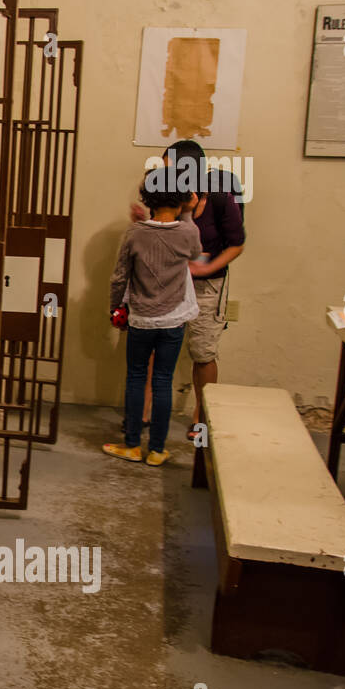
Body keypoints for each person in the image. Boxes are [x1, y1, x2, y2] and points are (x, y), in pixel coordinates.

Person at [130, 140, 246, 440]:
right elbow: (162, 229)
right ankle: (144, 411)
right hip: (170, 279)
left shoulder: (221, 195)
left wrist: (206, 268)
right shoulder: (168, 193)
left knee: (202, 351)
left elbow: (237, 243)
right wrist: (143, 223)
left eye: (169, 166)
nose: (164, 171)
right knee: (155, 341)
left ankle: (201, 417)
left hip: (208, 284)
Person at [105, 165, 201, 466]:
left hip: (141, 319)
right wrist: (188, 212)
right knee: (163, 381)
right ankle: (158, 450)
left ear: (148, 197)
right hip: (174, 319)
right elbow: (195, 253)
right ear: (183, 197)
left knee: (135, 378)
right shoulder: (189, 232)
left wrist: (115, 308)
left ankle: (132, 445)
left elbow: (119, 277)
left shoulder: (135, 233)